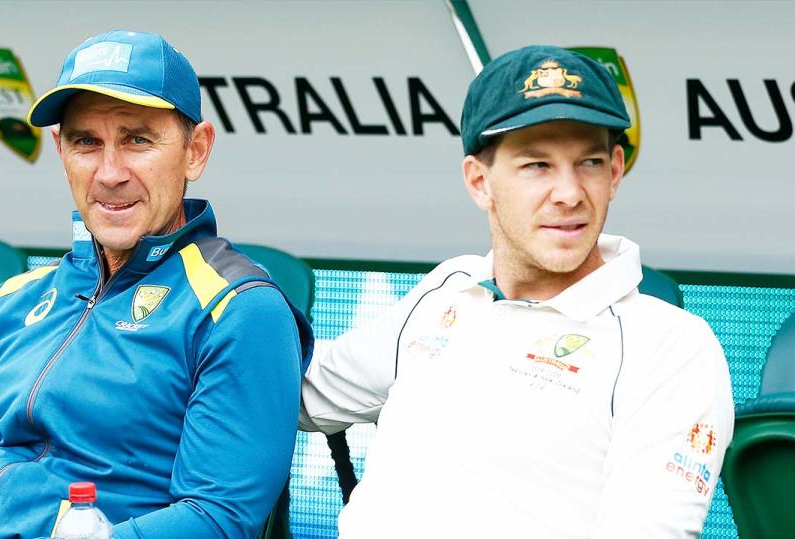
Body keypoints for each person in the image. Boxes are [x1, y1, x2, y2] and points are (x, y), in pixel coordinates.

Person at [0, 30, 313, 539]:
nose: (110, 173)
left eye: (138, 139)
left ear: (195, 151)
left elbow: (218, 519)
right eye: (86, 142)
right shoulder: (15, 298)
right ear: (60, 151)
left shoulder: (239, 308)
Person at [300, 45, 734, 538]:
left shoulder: (671, 345)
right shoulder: (449, 288)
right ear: (479, 182)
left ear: (615, 172)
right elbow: (302, 391)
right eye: (537, 165)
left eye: (588, 162)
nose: (570, 193)